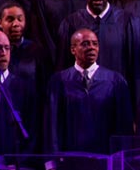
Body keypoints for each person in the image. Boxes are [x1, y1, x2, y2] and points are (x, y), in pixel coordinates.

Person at [57, 0, 140, 103]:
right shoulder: (71, 23)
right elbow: (64, 68)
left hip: (118, 101)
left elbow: (136, 71)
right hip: (79, 101)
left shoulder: (127, 22)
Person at [45, 29, 132, 157]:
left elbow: (124, 127)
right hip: (70, 159)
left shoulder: (115, 81)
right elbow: (51, 126)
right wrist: (52, 163)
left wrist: (120, 160)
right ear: (73, 49)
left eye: (95, 44)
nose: (91, 47)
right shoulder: (59, 81)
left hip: (105, 159)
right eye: (85, 44)